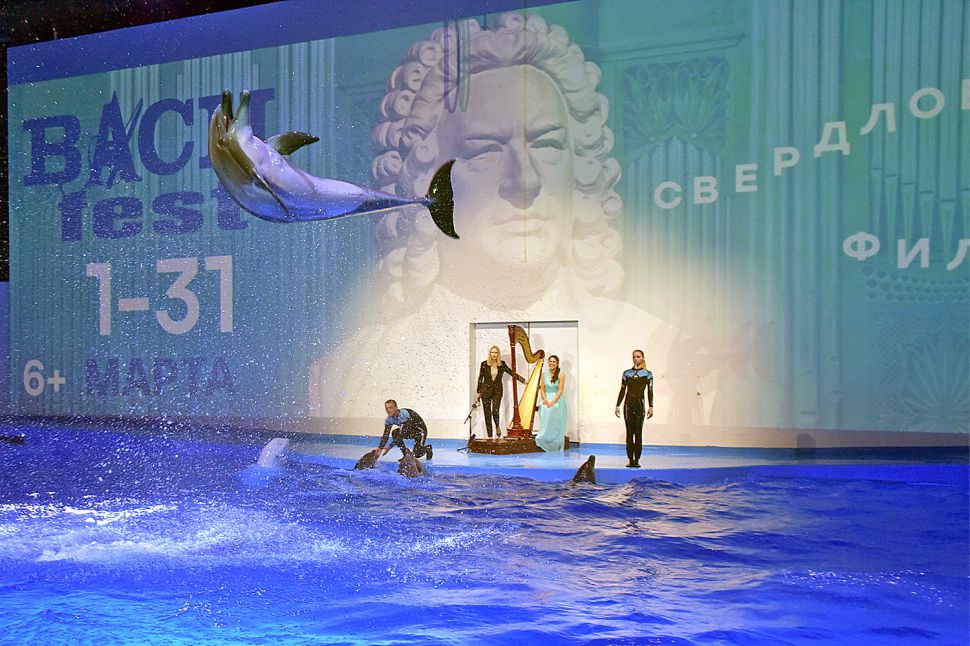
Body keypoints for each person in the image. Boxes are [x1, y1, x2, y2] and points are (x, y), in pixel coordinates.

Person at [308, 13, 678, 442]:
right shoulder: (351, 369)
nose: (525, 180)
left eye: (547, 144)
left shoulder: (669, 351)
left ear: (581, 169)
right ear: (427, 181)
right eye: (483, 151)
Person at [475, 345, 526, 438]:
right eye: (492, 352)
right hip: (485, 391)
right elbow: (480, 378)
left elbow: (512, 373)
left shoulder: (502, 364)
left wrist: (523, 380)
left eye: (496, 352)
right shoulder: (484, 364)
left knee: (495, 411)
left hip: (497, 391)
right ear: (490, 354)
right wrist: (478, 392)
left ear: (498, 354)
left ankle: (497, 426)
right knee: (487, 414)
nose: (494, 354)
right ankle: (490, 436)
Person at [615, 350, 653, 468]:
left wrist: (651, 406)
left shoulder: (647, 374)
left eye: (638, 356)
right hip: (628, 406)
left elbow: (650, 391)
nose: (636, 359)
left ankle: (637, 459)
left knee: (638, 433)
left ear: (643, 358)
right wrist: (617, 405)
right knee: (629, 433)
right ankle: (630, 459)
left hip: (640, 406)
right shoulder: (627, 373)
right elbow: (622, 390)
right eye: (634, 357)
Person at [535, 355, 567, 453]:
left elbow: (560, 390)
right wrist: (545, 400)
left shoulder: (561, 374)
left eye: (554, 362)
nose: (552, 363)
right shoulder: (544, 374)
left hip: (557, 399)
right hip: (546, 398)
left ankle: (555, 441)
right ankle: (544, 438)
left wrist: (552, 402)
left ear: (557, 364)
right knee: (544, 409)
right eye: (550, 361)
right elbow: (542, 389)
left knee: (552, 410)